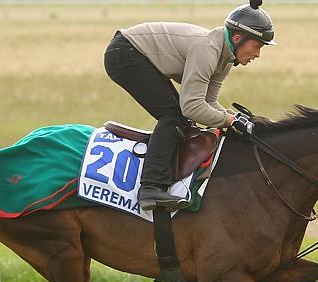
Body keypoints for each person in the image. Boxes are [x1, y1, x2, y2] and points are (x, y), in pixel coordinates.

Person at [104, 0, 275, 211]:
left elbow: (208, 103)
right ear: (238, 38)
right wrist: (229, 120)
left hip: (135, 53)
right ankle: (150, 188)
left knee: (179, 116)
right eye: (257, 46)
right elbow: (192, 107)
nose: (257, 54)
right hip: (125, 53)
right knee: (175, 116)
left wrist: (233, 118)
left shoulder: (225, 58)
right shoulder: (208, 50)